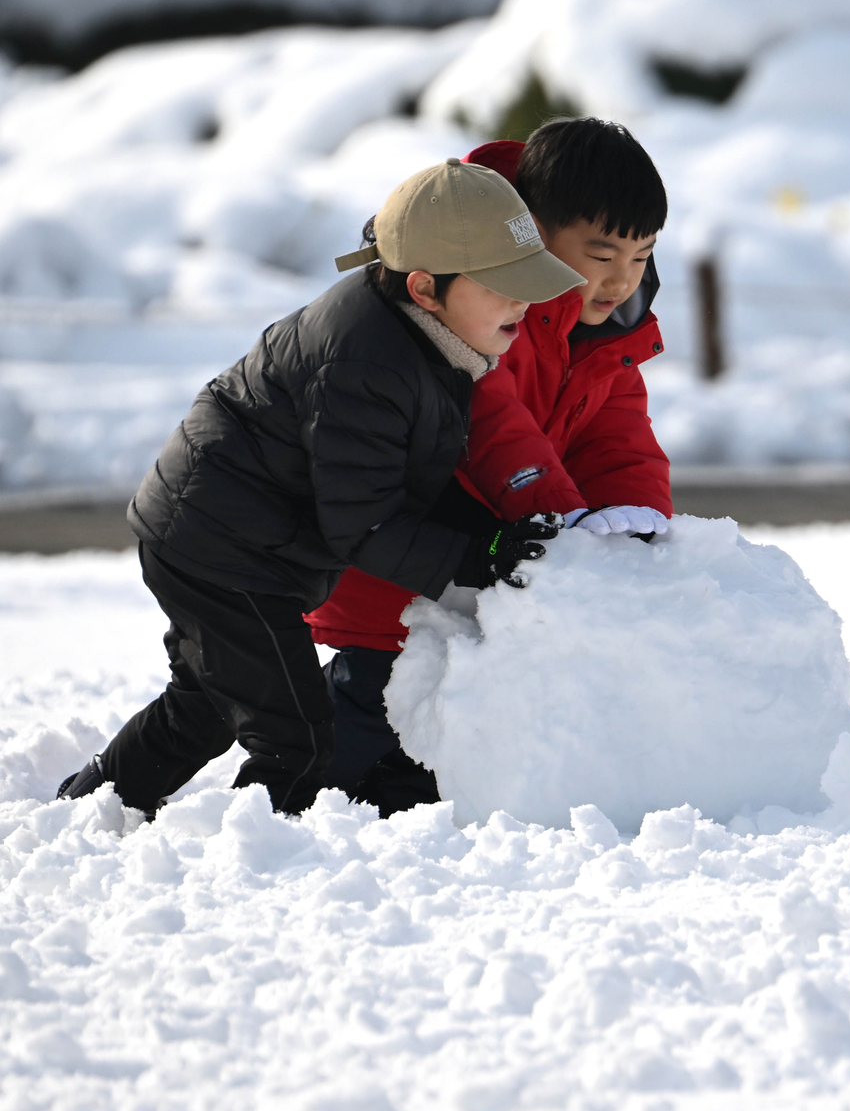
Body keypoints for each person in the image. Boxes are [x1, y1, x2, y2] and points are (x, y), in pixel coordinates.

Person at [56, 159, 583, 818]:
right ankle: (249, 858)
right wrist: (482, 556)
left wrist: (497, 538)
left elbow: (403, 480)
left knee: (206, 705)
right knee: (299, 737)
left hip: (232, 538)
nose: (524, 302)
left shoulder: (431, 338)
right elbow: (365, 526)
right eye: (504, 285)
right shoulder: (366, 362)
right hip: (221, 550)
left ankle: (86, 808)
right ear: (425, 286)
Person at [305, 118, 673, 816]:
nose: (621, 279)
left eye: (640, 256)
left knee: (445, 706)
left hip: (489, 550)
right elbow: (489, 416)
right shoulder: (481, 297)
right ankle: (275, 808)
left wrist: (634, 511)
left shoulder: (603, 329)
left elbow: (618, 432)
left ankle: (396, 804)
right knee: (370, 691)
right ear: (533, 229)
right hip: (407, 540)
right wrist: (557, 512)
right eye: (601, 255)